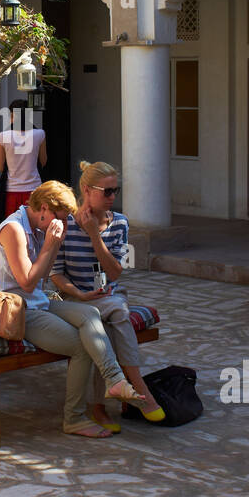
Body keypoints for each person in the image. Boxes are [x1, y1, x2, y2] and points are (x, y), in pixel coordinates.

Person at [0, 180, 147, 438]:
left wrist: (53, 244)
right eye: (58, 218)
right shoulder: (14, 229)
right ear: (43, 208)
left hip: (37, 302)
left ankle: (114, 380)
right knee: (80, 346)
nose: (60, 224)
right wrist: (51, 245)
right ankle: (73, 418)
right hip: (17, 311)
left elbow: (42, 279)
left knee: (91, 314)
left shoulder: (38, 228)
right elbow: (27, 282)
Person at [52, 161, 165, 430]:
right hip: (74, 299)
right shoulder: (64, 224)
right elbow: (56, 275)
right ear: (86, 190)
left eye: (116, 191)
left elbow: (115, 274)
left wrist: (94, 235)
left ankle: (101, 406)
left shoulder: (120, 223)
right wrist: (79, 292)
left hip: (109, 296)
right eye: (107, 192)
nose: (113, 197)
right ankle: (138, 392)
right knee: (109, 316)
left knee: (114, 311)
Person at [0, 98, 47, 216]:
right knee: (35, 228)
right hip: (34, 188)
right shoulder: (39, 134)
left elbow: (0, 167)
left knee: (14, 226)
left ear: (12, 116)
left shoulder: (2, 136)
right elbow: (43, 161)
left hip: (12, 190)